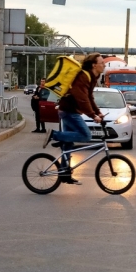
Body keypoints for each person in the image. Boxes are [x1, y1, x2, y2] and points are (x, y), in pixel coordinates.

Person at [44, 53, 105, 185]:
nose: (104, 65)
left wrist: (98, 112)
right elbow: (82, 98)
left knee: (68, 145)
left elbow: (89, 97)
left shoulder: (93, 76)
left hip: (69, 111)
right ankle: (54, 135)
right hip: (68, 111)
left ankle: (64, 173)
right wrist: (92, 115)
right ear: (94, 65)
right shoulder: (83, 76)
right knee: (86, 135)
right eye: (102, 63)